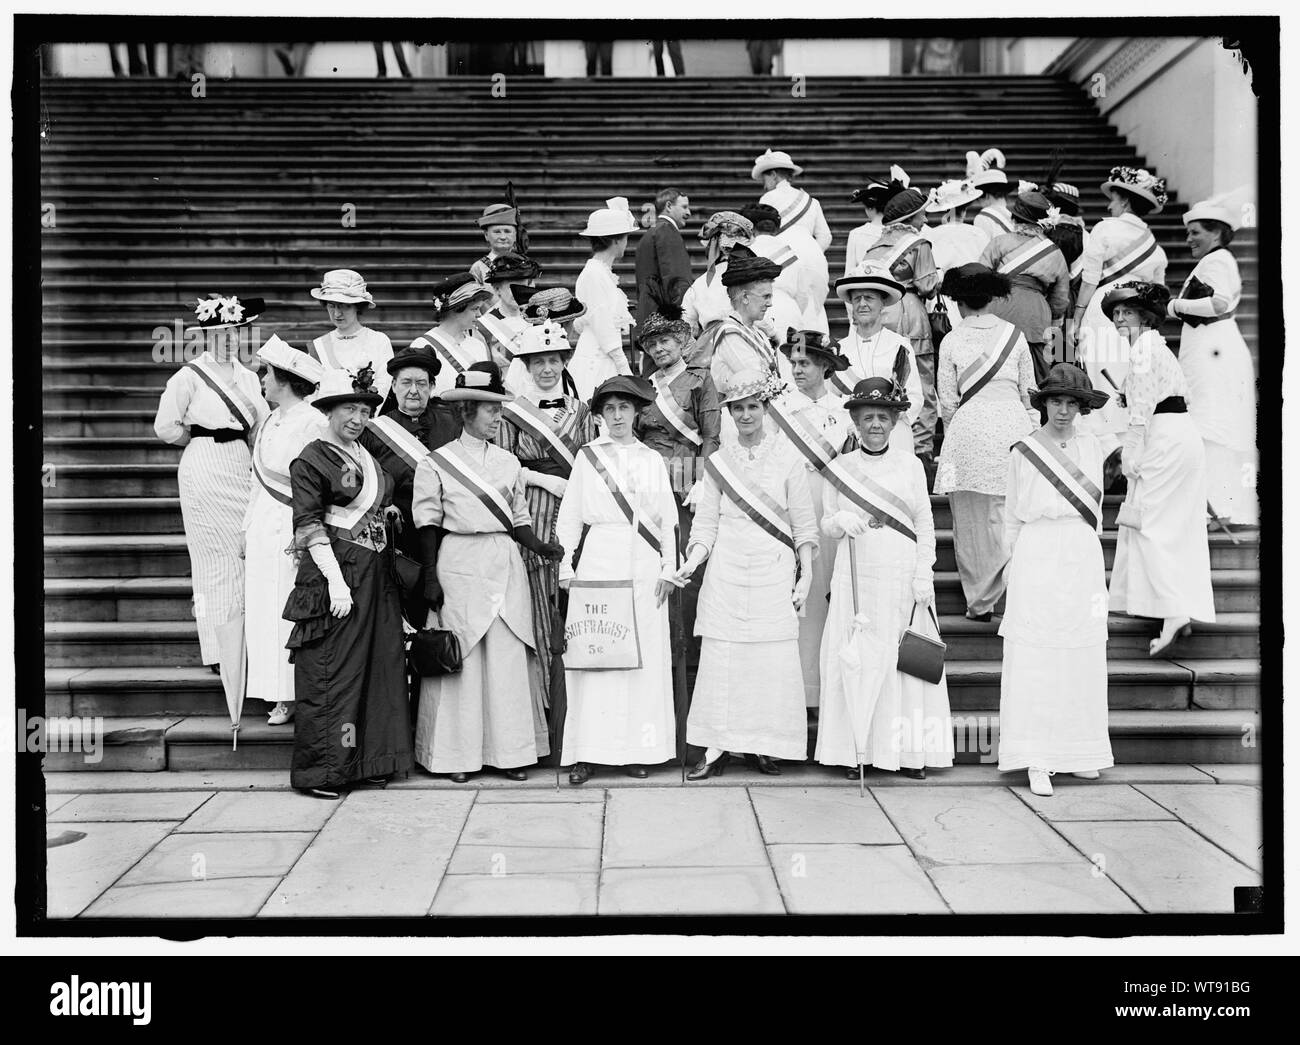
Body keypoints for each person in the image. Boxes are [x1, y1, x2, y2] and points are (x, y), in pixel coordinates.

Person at [411, 363, 564, 782]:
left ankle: (511, 755)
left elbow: (518, 519)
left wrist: (539, 546)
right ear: (467, 413)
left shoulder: (509, 462)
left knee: (507, 653)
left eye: (499, 410)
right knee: (463, 656)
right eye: (490, 411)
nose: (498, 418)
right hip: (458, 559)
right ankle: (455, 758)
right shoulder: (436, 463)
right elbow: (427, 524)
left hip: (504, 558)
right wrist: (430, 577)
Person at [672, 369, 817, 778]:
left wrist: (805, 575)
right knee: (725, 659)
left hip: (772, 569)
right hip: (728, 570)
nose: (747, 415)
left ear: (766, 409)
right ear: (731, 414)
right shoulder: (718, 463)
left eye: (754, 407)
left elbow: (804, 526)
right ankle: (717, 749)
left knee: (769, 660)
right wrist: (693, 559)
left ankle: (764, 746)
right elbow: (706, 525)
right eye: (739, 409)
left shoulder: (788, 459)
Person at [282, 367, 412, 799]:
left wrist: (388, 513)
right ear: (329, 411)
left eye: (363, 409)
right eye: (348, 409)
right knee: (332, 673)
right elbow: (308, 525)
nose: (357, 417)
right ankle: (324, 772)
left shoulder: (367, 458)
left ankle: (366, 762)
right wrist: (336, 583)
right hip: (335, 574)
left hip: (375, 575)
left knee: (376, 670)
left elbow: (377, 502)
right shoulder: (311, 458)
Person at [815, 377, 953, 779]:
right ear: (856, 421)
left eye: (882, 417)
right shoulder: (840, 469)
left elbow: (925, 524)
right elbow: (826, 521)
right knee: (857, 657)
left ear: (894, 422)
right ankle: (853, 749)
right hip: (856, 574)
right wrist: (838, 521)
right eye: (867, 417)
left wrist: (924, 572)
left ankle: (908, 753)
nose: (875, 424)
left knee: (901, 660)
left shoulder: (910, 466)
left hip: (899, 573)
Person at [555, 375, 681, 784]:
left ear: (636, 412)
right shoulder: (587, 457)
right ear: (601, 415)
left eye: (624, 408)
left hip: (643, 566)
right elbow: (571, 514)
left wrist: (668, 567)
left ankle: (637, 749)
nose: (617, 416)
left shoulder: (650, 460)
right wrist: (565, 565)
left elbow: (668, 520)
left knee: (641, 659)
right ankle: (586, 753)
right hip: (598, 561)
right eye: (609, 409)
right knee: (595, 655)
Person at [999, 363, 1114, 797]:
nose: (1063, 410)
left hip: (1079, 552)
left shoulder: (1092, 449)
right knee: (1037, 655)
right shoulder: (1023, 450)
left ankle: (1079, 753)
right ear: (1043, 404)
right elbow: (1010, 516)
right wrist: (1012, 566)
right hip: (1038, 550)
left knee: (1081, 653)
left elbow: (1096, 514)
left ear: (1082, 408)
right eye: (1055, 401)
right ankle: (1037, 758)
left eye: (1071, 403)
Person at [153, 294, 269, 691]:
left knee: (246, 553)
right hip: (203, 464)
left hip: (241, 461)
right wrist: (199, 438)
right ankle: (220, 651)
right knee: (213, 560)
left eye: (234, 331)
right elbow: (165, 426)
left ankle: (250, 644)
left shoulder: (251, 376)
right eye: (219, 332)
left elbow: (261, 427)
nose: (228, 338)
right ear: (205, 334)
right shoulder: (188, 376)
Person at [1104, 281, 1216, 656]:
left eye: (1128, 312)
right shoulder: (1153, 348)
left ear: (1145, 317)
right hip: (1179, 436)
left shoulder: (1143, 351)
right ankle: (1166, 605)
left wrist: (1129, 454)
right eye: (1117, 313)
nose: (1120, 318)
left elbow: (1139, 414)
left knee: (1150, 524)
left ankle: (1173, 609)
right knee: (1167, 525)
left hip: (1165, 440)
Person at [494, 320, 599, 709]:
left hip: (578, 514)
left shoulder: (583, 411)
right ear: (526, 365)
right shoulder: (510, 413)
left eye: (553, 360)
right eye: (537, 362)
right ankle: (544, 702)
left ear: (563, 362)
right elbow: (503, 465)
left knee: (579, 600)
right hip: (533, 513)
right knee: (539, 601)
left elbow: (594, 462)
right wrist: (543, 479)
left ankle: (583, 701)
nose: (546, 370)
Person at [933, 264, 1038, 621]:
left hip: (968, 427)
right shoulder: (1015, 335)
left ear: (958, 303)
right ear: (992, 297)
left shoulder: (950, 340)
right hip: (1014, 426)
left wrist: (955, 430)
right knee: (1011, 514)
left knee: (970, 520)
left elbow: (946, 401)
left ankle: (979, 601)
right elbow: (1029, 393)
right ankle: (1018, 591)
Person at [635, 309, 722, 676]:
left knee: (688, 568)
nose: (659, 348)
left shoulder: (700, 380)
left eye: (665, 341)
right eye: (652, 343)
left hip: (687, 484)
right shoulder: (641, 386)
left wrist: (704, 481)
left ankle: (688, 657)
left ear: (681, 342)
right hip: (649, 484)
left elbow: (712, 434)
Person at [244, 336, 325, 726]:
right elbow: (256, 482)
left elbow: (316, 483)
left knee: (285, 610)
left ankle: (291, 693)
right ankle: (272, 691)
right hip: (263, 526)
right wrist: (247, 529)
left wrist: (306, 533)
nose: (262, 379)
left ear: (285, 379)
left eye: (267, 373)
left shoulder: (313, 421)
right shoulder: (272, 419)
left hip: (292, 527)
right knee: (263, 608)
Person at [770, 331, 852, 708]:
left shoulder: (846, 412)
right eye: (794, 363)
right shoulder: (779, 410)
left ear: (825, 367)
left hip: (833, 512)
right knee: (799, 599)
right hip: (793, 511)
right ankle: (797, 695)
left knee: (831, 597)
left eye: (805, 363)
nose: (798, 369)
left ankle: (832, 695)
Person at [1171, 195, 1257, 526]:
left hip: (1215, 354)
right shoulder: (1214, 260)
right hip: (1208, 351)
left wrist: (1174, 307)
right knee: (1207, 425)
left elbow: (1219, 304)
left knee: (1213, 427)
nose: (1189, 239)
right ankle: (1216, 505)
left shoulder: (1218, 260)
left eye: (1196, 232)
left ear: (1217, 233)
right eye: (1189, 232)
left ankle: (1221, 506)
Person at [359, 347, 460, 630]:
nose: (414, 391)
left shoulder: (450, 422)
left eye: (422, 383)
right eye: (406, 383)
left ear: (432, 387)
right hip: (400, 536)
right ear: (393, 386)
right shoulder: (375, 431)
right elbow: (364, 479)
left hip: (448, 529)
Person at [1071, 166, 1169, 454]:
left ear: (1125, 201)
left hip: (1104, 308)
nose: (1109, 205)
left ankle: (1107, 447)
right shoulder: (1156, 248)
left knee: (1102, 372)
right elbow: (1160, 294)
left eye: (1112, 199)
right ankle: (1131, 444)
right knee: (1132, 373)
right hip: (1140, 314)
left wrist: (1076, 318)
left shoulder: (1103, 229)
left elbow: (1089, 281)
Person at [862, 173, 941, 472]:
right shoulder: (919, 243)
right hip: (909, 312)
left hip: (881, 313)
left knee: (885, 377)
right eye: (922, 214)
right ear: (912, 216)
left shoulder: (876, 245)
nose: (925, 219)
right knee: (921, 382)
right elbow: (927, 285)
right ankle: (920, 451)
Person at [978, 189, 1071, 383]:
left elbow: (979, 278)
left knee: (994, 372)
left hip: (998, 309)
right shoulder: (1054, 252)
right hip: (1034, 317)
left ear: (1013, 217)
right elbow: (1060, 300)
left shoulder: (999, 243)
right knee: (1035, 374)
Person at [832, 263, 922, 454]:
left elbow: (915, 397)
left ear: (882, 304)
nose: (862, 304)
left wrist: (885, 420)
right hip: (850, 438)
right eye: (857, 299)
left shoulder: (900, 346)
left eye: (869, 298)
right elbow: (831, 399)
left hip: (892, 437)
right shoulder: (839, 349)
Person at [571, 197, 638, 399]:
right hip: (597, 355)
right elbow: (601, 322)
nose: (626, 243)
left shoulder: (602, 272)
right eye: (625, 237)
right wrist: (623, 364)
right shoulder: (594, 274)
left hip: (604, 352)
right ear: (615, 239)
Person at [307, 270, 395, 400]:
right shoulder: (318, 346)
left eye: (345, 306)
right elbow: (311, 395)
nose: (337, 314)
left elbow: (384, 386)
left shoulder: (378, 341)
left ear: (358, 306)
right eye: (331, 306)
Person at [744, 202, 829, 335]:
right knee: (789, 355)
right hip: (789, 311)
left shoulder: (744, 252)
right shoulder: (793, 254)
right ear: (776, 229)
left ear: (751, 229)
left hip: (753, 311)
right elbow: (803, 295)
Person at [681, 212, 755, 363]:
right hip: (745, 343)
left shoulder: (699, 284)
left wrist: (694, 352)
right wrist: (773, 334)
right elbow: (759, 314)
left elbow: (684, 326)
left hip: (710, 349)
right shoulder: (750, 279)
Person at [710, 251, 788, 391]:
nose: (770, 303)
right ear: (745, 297)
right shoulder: (730, 334)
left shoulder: (755, 330)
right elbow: (758, 381)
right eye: (765, 296)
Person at [923, 178, 990, 332]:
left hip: (943, 298)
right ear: (965, 209)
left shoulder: (932, 235)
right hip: (974, 297)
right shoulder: (978, 234)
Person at [411, 273, 494, 396]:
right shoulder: (422, 344)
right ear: (457, 309)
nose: (479, 315)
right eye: (474, 309)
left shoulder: (478, 345)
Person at [475, 251, 542, 390]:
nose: (518, 291)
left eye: (522, 285)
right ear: (497, 289)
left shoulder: (540, 319)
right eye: (512, 286)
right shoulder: (483, 327)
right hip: (505, 396)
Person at [634, 187, 693, 328]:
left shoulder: (650, 233)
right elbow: (677, 279)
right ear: (668, 206)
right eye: (684, 207)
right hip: (665, 322)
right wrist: (685, 317)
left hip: (650, 318)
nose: (688, 213)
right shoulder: (666, 230)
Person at [753, 148, 832, 251]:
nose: (764, 186)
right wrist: (811, 254)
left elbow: (762, 236)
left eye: (764, 179)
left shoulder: (768, 198)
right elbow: (825, 237)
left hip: (781, 259)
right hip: (811, 259)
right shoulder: (812, 202)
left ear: (773, 175)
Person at [845, 179, 891, 275]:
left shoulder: (856, 233)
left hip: (861, 285)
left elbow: (850, 271)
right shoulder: (895, 233)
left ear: (869, 208)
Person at [468, 202, 520, 287]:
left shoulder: (525, 265)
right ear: (486, 235)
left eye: (507, 231)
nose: (503, 237)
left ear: (515, 235)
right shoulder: (478, 268)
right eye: (497, 232)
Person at [967, 148, 1013, 239]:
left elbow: (985, 250)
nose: (979, 203)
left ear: (986, 196)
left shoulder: (983, 218)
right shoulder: (1014, 214)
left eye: (979, 199)